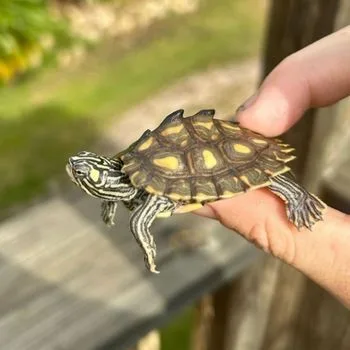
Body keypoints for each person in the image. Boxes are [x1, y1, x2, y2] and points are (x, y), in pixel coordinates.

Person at [196, 25, 350, 308]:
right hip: (233, 155)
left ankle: (296, 196)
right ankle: (296, 195)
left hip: (238, 158)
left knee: (274, 176)